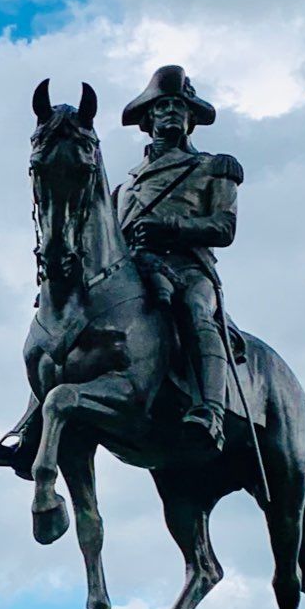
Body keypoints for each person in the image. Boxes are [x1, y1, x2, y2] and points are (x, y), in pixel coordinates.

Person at [112, 66, 243, 448]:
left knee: (195, 312)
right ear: (148, 117)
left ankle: (211, 411)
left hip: (188, 268)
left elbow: (224, 228)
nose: (170, 112)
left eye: (178, 106)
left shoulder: (213, 167)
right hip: (135, 272)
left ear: (190, 118)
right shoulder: (123, 187)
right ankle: (32, 425)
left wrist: (169, 227)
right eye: (162, 105)